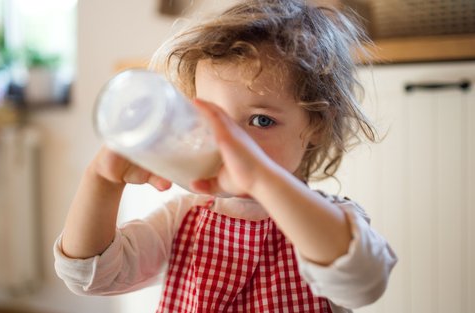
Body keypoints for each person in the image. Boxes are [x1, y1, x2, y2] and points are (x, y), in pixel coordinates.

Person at [54, 0, 397, 312]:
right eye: (211, 118)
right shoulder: (182, 219)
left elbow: (362, 284)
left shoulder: (331, 223)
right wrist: (101, 183)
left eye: (261, 121)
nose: (229, 142)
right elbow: (90, 276)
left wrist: (260, 177)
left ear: (317, 124)